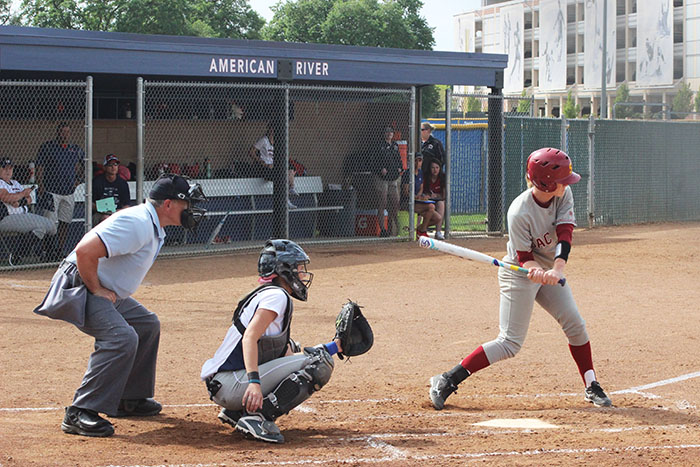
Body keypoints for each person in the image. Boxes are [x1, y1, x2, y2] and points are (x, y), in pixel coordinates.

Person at [429, 148, 612, 411]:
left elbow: (565, 233)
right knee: (510, 343)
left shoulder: (563, 194)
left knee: (575, 324)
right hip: (518, 272)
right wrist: (534, 269)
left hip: (550, 268)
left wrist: (557, 269)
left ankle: (591, 385)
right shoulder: (519, 212)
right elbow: (525, 256)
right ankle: (446, 379)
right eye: (562, 180)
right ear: (545, 182)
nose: (568, 185)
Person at [33, 173, 207, 437]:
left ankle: (130, 397)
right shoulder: (137, 223)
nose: (191, 211)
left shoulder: (151, 223)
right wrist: (97, 289)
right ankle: (80, 411)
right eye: (187, 204)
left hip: (97, 284)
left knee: (146, 325)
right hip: (80, 285)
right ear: (169, 205)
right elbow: (84, 251)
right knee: (121, 337)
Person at [201, 239, 344, 444]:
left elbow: (287, 358)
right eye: (298, 268)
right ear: (284, 270)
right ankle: (258, 417)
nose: (302, 275)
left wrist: (334, 346)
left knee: (291, 347)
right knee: (319, 364)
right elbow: (250, 337)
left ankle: (239, 411)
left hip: (225, 383)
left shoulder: (269, 294)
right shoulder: (277, 296)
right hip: (233, 384)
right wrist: (254, 383)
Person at [36, 122, 85, 259]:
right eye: (62, 131)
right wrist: (41, 185)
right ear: (57, 132)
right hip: (51, 191)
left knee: (65, 222)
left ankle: (59, 250)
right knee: (49, 223)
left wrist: (78, 180)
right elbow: (40, 166)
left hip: (68, 191)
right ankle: (47, 250)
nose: (65, 134)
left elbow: (85, 163)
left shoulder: (74, 149)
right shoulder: (48, 147)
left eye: (67, 132)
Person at [0, 157, 57, 262]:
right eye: (4, 168)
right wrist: (22, 194)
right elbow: (6, 197)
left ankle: (50, 255)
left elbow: (29, 199)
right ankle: (17, 256)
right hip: (7, 217)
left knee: (51, 225)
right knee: (40, 227)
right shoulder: (0, 183)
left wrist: (19, 200)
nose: (8, 171)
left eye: (10, 168)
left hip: (23, 214)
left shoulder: (15, 183)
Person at [248, 123, 298, 209]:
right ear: (270, 129)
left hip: (274, 167)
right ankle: (286, 200)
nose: (274, 131)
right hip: (265, 168)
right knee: (281, 176)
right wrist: (262, 163)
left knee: (290, 170)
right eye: (273, 129)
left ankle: (292, 187)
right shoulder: (264, 140)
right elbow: (251, 152)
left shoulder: (278, 142)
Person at [400, 153, 442, 240]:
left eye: (420, 160)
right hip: (407, 202)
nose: (418, 163)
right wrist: (416, 197)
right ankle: (422, 231)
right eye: (416, 160)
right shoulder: (408, 173)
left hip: (418, 202)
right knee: (431, 207)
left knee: (438, 218)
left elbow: (421, 188)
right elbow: (405, 191)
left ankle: (419, 229)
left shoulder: (420, 173)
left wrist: (420, 197)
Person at [373, 126, 402, 237]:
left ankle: (394, 229)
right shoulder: (379, 146)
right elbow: (374, 161)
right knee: (383, 202)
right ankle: (382, 229)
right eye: (387, 132)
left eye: (391, 132)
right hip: (382, 179)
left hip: (393, 178)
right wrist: (381, 168)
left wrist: (400, 168)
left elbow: (398, 159)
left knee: (395, 203)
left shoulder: (395, 146)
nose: (389, 134)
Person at [92, 154, 132, 225]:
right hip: (100, 214)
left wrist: (118, 212)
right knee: (106, 218)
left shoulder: (122, 183)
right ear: (104, 167)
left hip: (117, 213)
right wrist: (104, 209)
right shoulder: (97, 181)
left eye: (115, 164)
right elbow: (91, 204)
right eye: (110, 165)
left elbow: (126, 205)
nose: (113, 167)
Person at [424, 159, 446, 240]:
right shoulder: (426, 177)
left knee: (441, 204)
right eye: (432, 168)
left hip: (438, 199)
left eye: (437, 167)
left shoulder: (442, 177)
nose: (435, 170)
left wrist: (436, 196)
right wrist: (428, 196)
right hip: (427, 200)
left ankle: (438, 232)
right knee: (429, 206)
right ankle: (422, 230)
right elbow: (423, 191)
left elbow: (444, 195)